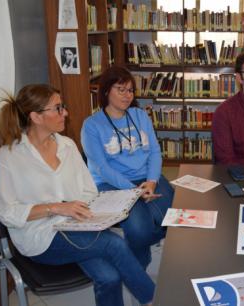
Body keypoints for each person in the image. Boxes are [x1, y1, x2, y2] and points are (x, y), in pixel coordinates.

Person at [0, 84, 154, 306]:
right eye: (58, 108)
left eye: (63, 107)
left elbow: (88, 191)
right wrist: (56, 208)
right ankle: (155, 299)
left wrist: (101, 210)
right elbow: (7, 213)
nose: (65, 113)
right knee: (115, 244)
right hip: (41, 237)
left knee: (109, 276)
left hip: (77, 226)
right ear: (36, 117)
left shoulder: (67, 146)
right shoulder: (10, 156)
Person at [81, 65, 173, 270]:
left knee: (173, 218)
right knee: (140, 230)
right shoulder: (92, 125)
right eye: (120, 89)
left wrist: (151, 181)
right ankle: (138, 267)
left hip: (146, 178)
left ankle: (141, 244)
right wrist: (135, 192)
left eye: (130, 90)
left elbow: (155, 152)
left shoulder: (140, 115)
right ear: (106, 91)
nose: (127, 95)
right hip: (112, 183)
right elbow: (102, 168)